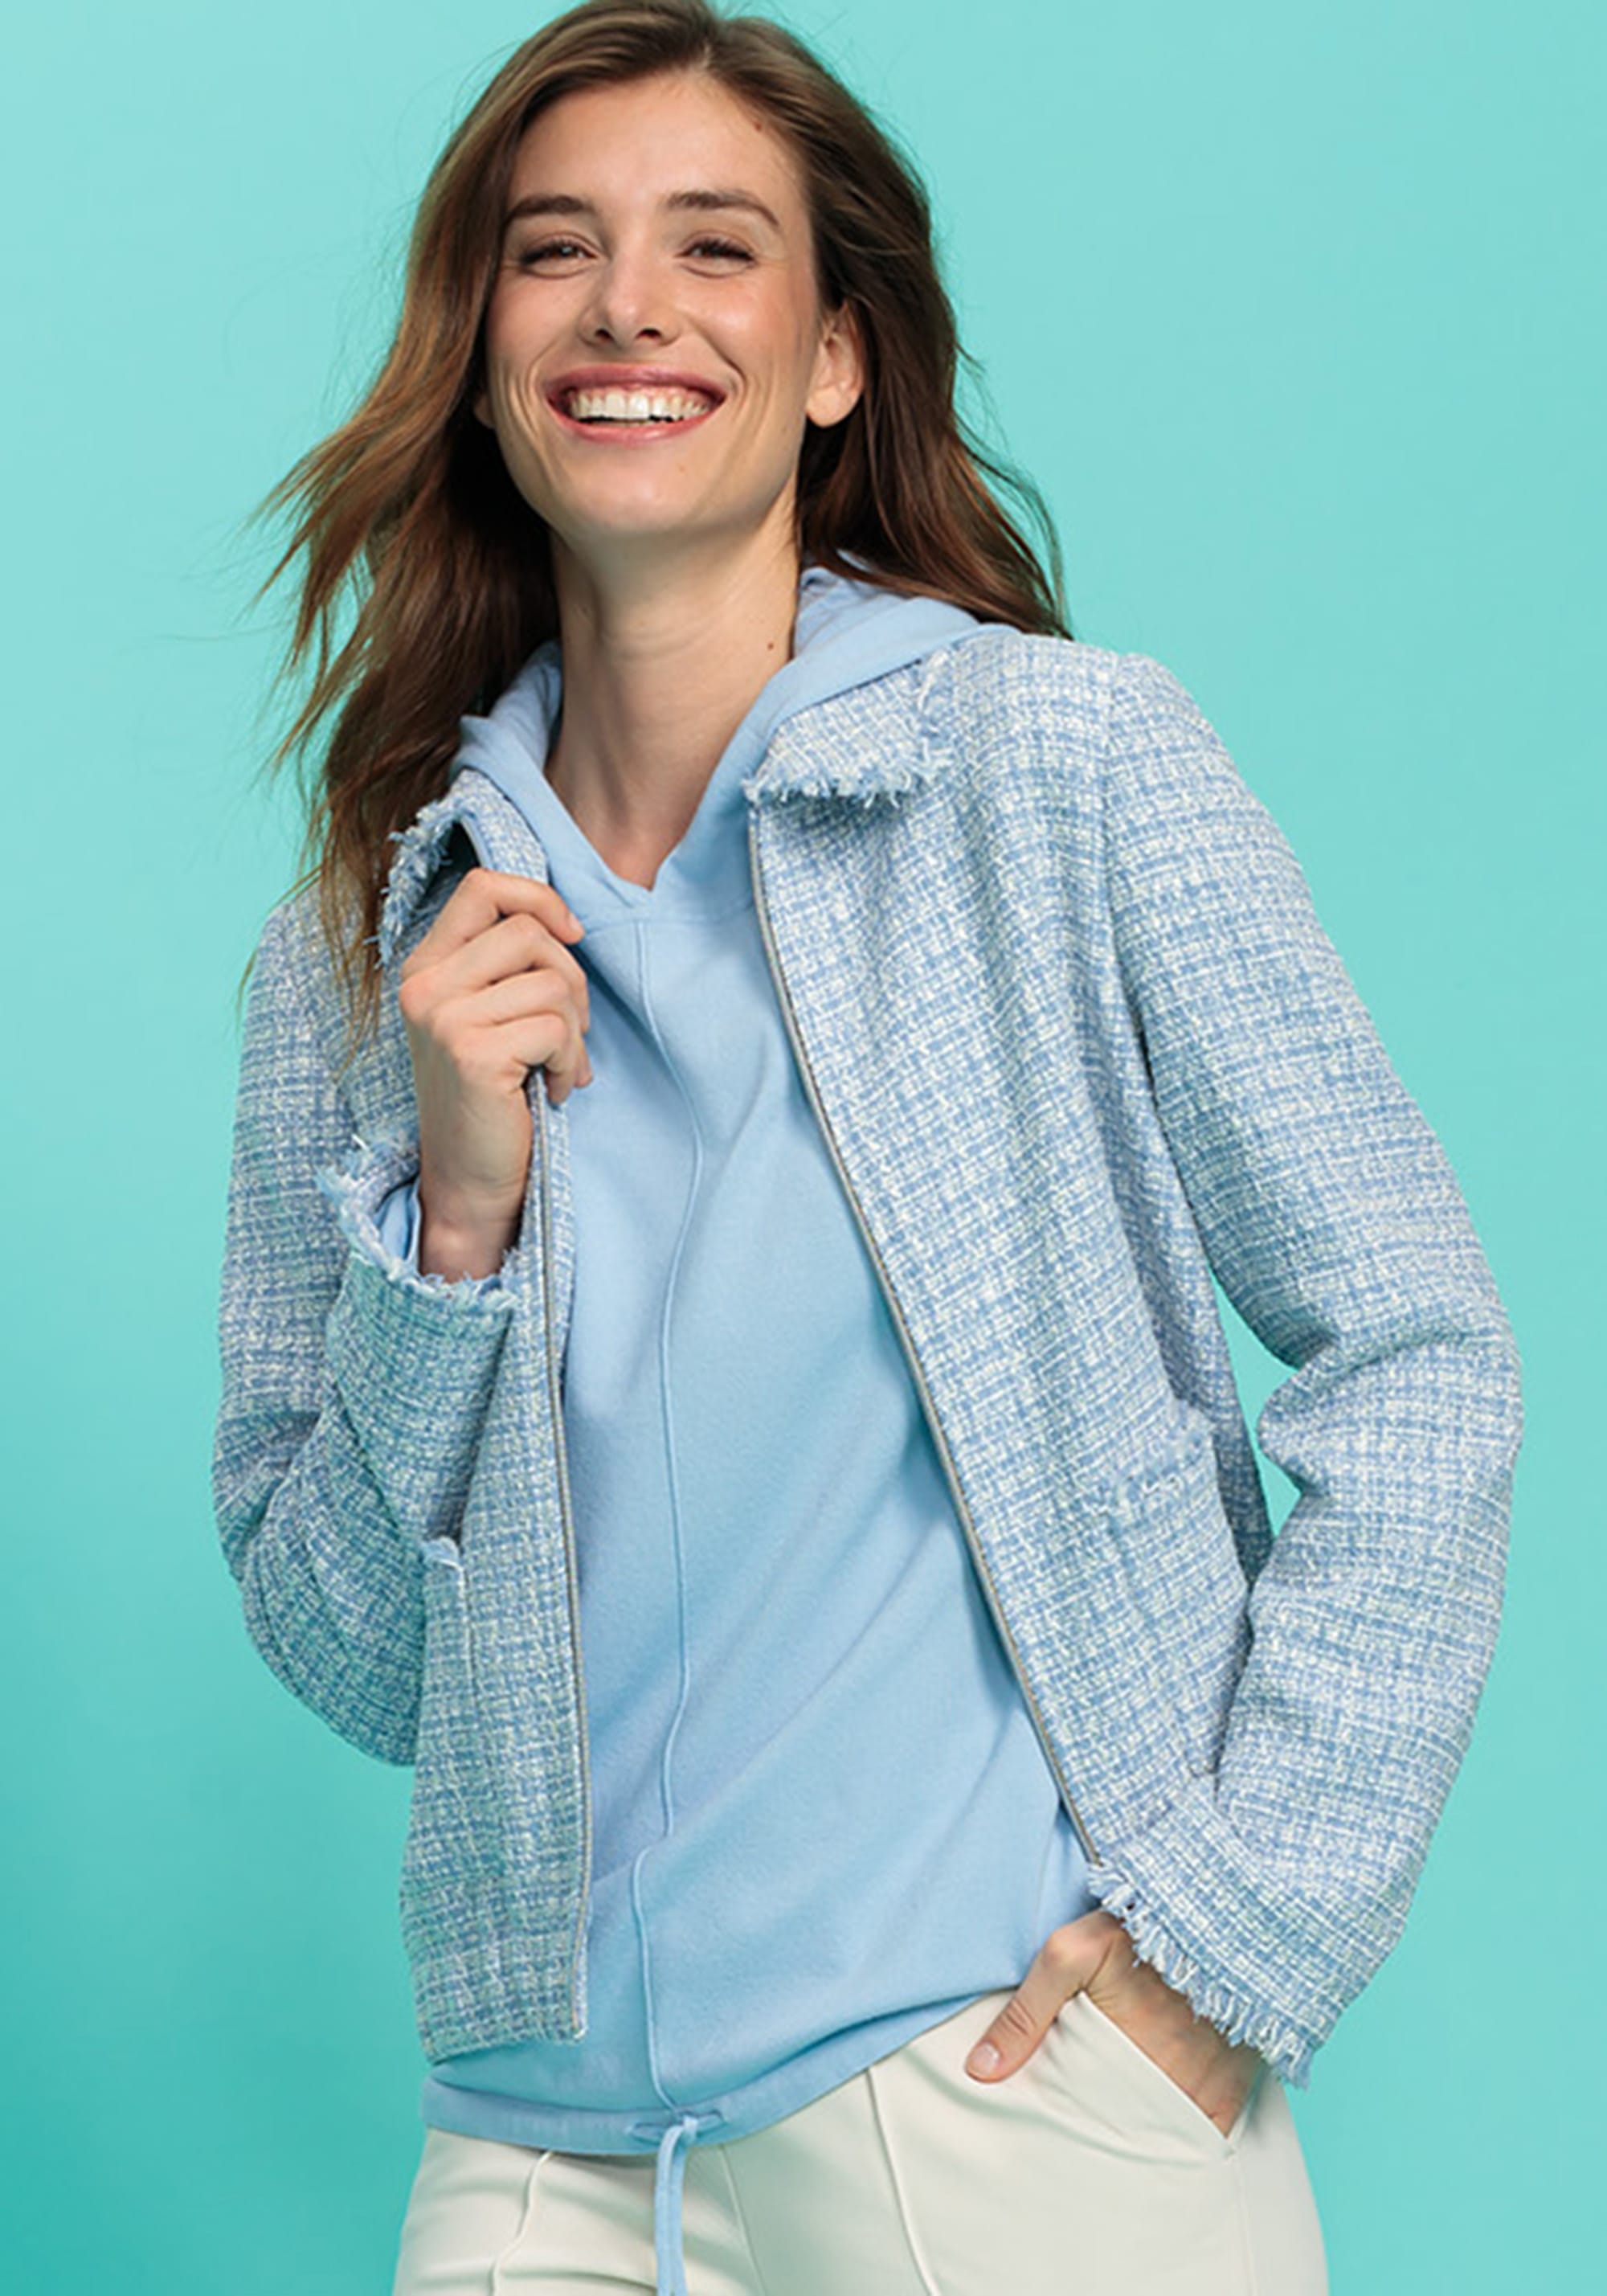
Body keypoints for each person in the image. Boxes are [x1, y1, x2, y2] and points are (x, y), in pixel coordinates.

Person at [211, 4, 1524, 2291]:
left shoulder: (1064, 774)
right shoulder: (366, 959)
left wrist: (1236, 1930)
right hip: (535, 2148)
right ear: (484, 355)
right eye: (555, 251)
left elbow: (1419, 1350)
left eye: (715, 249)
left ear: (835, 358)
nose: (628, 308)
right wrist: (454, 1227)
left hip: (1003, 2097)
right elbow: (352, 1653)